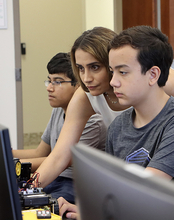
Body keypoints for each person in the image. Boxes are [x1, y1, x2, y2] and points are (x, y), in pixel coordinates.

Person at [34, 27, 131, 190]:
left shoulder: (143, 83)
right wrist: (28, 190)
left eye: (95, 67)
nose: (86, 78)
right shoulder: (85, 96)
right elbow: (59, 156)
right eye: (80, 68)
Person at [13, 52, 107, 214]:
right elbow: (40, 152)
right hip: (54, 176)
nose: (49, 87)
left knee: (36, 209)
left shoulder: (92, 119)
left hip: (74, 183)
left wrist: (14, 163)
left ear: (77, 85)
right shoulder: (58, 110)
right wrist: (8, 154)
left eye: (57, 82)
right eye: (49, 81)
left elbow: (62, 159)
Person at [106, 25, 174, 179]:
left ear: (153, 75)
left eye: (123, 72)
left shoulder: (171, 122)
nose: (113, 82)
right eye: (112, 72)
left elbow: (148, 187)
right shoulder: (117, 127)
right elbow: (109, 186)